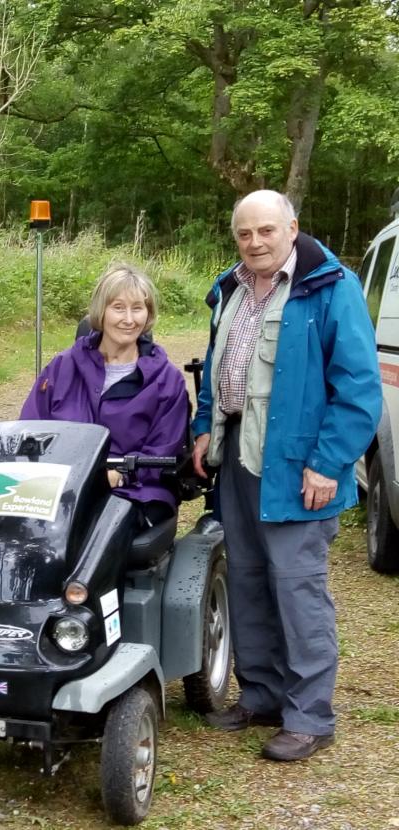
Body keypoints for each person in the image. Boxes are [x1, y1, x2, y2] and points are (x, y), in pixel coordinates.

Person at [193, 190, 381, 762]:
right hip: (239, 464)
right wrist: (204, 425)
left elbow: (358, 389)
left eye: (267, 231)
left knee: (298, 594)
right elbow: (216, 370)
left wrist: (328, 463)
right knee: (248, 580)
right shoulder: (230, 287)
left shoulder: (330, 288)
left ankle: (310, 716)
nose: (255, 243)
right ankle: (264, 696)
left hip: (299, 471)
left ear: (292, 228)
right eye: (245, 234)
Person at [21, 263, 189, 524]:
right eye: (118, 307)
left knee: (87, 532)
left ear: (148, 314)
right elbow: (30, 428)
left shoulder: (167, 380)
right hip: (59, 485)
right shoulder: (62, 367)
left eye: (138, 308)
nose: (129, 319)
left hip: (132, 491)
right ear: (101, 311)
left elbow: (161, 452)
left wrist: (119, 472)